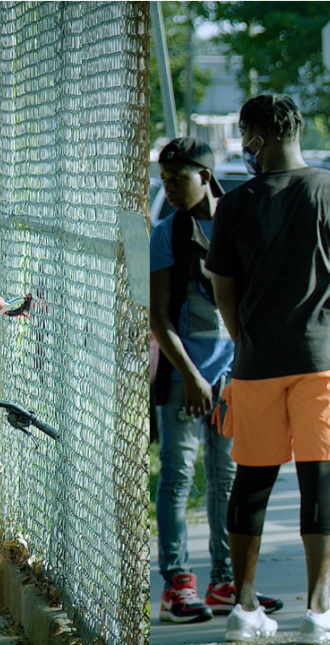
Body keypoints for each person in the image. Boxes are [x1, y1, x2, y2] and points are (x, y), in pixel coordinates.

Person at [208, 94, 330, 642]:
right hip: (320, 362)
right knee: (320, 481)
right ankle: (319, 612)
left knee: (252, 483)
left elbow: (224, 292)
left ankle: (245, 609)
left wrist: (246, 342)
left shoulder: (235, 204)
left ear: (258, 136)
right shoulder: (327, 190)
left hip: (256, 363)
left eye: (244, 136)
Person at [151, 138, 283, 624]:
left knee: (227, 478)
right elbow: (160, 318)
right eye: (164, 180)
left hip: (234, 377)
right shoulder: (167, 233)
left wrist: (241, 371)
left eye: (177, 178)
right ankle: (177, 587)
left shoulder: (241, 221)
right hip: (182, 379)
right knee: (178, 476)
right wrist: (191, 377)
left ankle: (225, 583)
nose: (169, 187)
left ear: (205, 176)